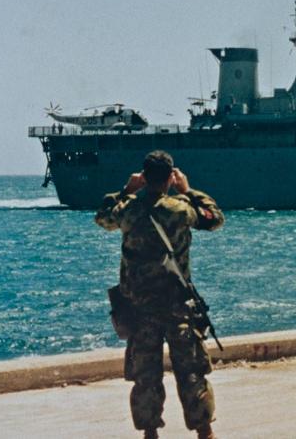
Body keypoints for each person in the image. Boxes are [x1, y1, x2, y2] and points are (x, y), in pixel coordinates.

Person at [95, 151, 224, 439]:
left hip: (140, 309)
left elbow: (102, 217)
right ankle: (204, 431)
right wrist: (187, 190)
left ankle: (150, 433)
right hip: (178, 305)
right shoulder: (180, 209)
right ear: (169, 178)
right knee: (191, 373)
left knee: (145, 377)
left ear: (143, 176)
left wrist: (127, 189)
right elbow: (214, 218)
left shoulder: (127, 209)